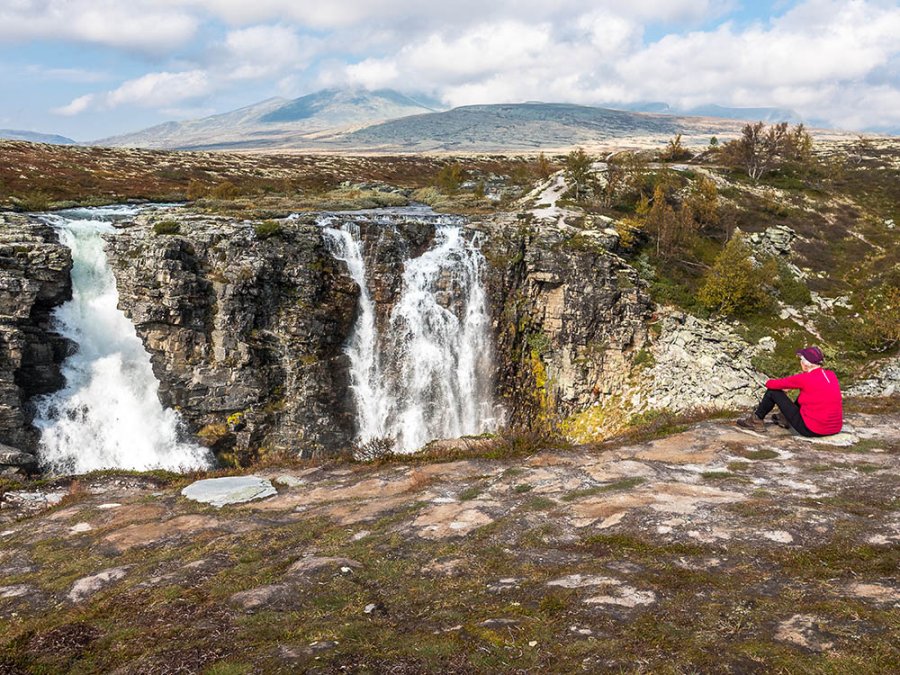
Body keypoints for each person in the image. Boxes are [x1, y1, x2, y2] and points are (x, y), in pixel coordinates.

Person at [737, 346, 842, 436]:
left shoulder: (804, 378)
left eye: (801, 360)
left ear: (806, 364)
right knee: (806, 394)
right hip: (834, 428)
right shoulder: (831, 375)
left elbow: (771, 384)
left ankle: (756, 420)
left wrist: (783, 387)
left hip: (811, 429)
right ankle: (783, 418)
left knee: (773, 392)